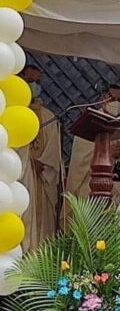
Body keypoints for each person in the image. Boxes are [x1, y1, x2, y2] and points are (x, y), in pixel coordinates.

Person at [66, 84, 120, 204]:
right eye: (112, 99)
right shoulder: (90, 122)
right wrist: (106, 152)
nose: (116, 103)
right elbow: (80, 159)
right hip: (93, 186)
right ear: (102, 100)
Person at [18, 65, 62, 249]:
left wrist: (43, 164)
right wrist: (27, 162)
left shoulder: (48, 116)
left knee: (42, 229)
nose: (34, 85)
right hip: (21, 176)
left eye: (38, 82)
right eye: (30, 81)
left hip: (42, 179)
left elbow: (54, 149)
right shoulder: (14, 111)